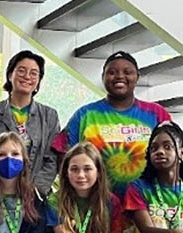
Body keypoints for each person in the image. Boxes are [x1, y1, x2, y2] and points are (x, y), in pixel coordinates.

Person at [52, 50, 172, 194]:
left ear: (137, 77)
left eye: (127, 72)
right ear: (103, 77)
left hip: (147, 204)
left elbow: (175, 154)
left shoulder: (157, 114)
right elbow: (62, 154)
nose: (120, 76)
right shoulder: (85, 115)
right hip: (98, 205)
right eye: (112, 72)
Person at [0, 50, 60, 196]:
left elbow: (52, 159)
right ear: (10, 75)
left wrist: (34, 191)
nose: (27, 76)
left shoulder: (50, 116)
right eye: (21, 71)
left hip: (37, 196)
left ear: (38, 81)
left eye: (34, 73)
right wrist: (6, 188)